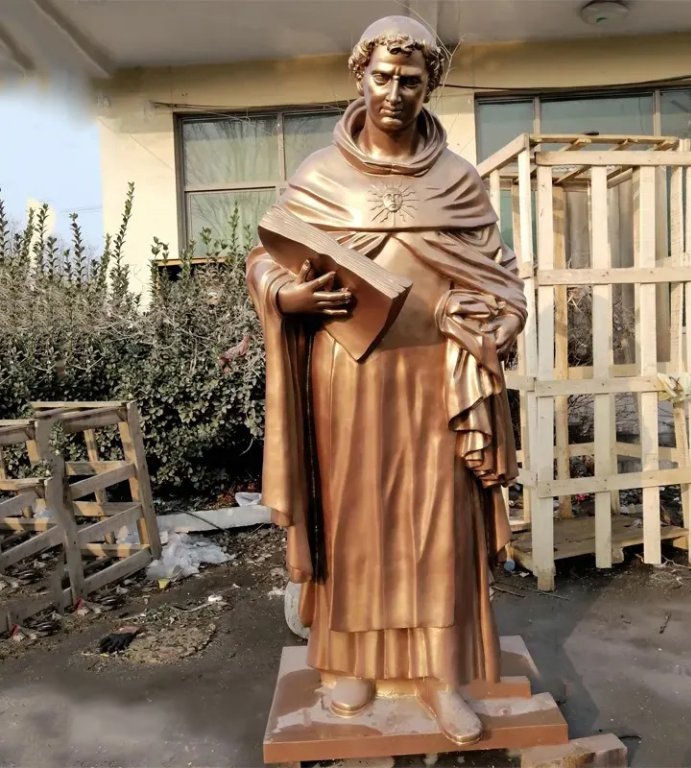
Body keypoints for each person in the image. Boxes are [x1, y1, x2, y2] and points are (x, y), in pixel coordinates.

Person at [247, 15, 527, 746]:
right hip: (348, 378)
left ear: (430, 84)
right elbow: (268, 258)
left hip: (437, 377)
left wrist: (501, 322)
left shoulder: (458, 181)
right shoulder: (319, 177)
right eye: (382, 76)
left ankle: (439, 676)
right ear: (359, 76)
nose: (395, 93)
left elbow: (501, 277)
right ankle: (352, 664)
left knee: (437, 526)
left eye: (411, 79)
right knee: (356, 522)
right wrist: (289, 297)